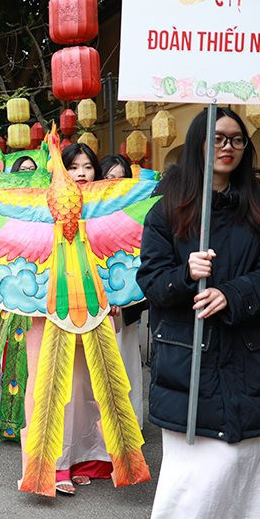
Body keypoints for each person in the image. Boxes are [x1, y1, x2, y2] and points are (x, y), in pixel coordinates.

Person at [138, 107, 260, 519]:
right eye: (218, 138)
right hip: (188, 356)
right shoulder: (167, 213)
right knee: (198, 465)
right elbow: (151, 281)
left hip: (248, 354)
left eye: (237, 140)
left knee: (242, 458)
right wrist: (186, 274)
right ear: (199, 144)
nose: (228, 147)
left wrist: (233, 292)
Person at [20, 140, 111, 496]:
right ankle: (49, 465)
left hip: (93, 311)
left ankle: (82, 459)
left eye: (88, 167)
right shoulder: (40, 210)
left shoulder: (106, 210)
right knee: (47, 384)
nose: (82, 174)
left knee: (86, 386)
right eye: (73, 168)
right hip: (47, 311)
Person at [100, 154, 145, 427]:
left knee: (126, 359)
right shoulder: (88, 211)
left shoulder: (137, 211)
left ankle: (129, 423)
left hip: (127, 302)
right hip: (94, 301)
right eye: (109, 177)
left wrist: (125, 295)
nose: (115, 183)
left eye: (121, 178)